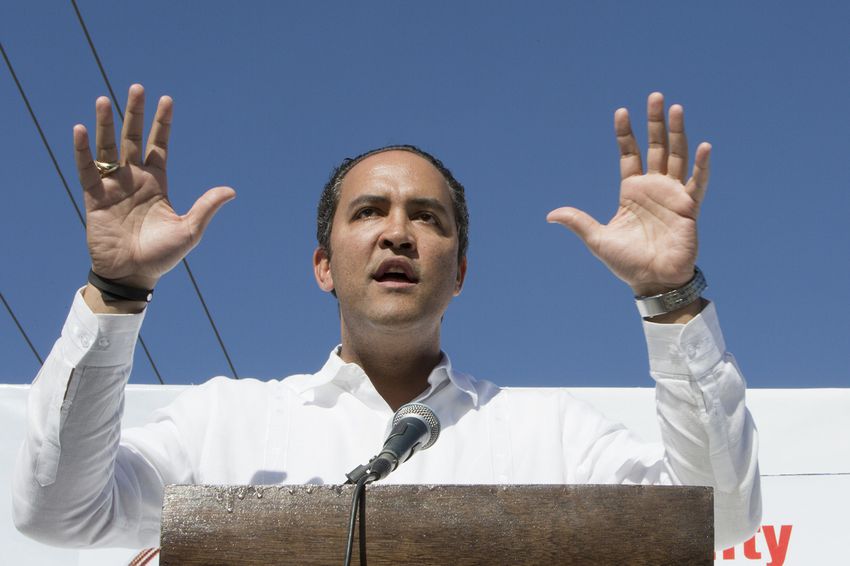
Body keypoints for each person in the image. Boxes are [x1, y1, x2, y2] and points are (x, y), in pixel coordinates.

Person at [13, 85, 760, 549]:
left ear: (459, 273)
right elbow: (57, 513)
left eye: (427, 218)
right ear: (323, 266)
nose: (397, 233)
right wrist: (116, 289)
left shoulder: (553, 435)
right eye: (368, 212)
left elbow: (716, 521)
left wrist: (671, 299)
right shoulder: (225, 423)